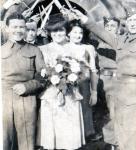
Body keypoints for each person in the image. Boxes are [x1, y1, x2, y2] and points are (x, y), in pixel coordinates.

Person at [66, 7, 136, 150]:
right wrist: (84, 19)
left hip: (134, 91)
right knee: (119, 130)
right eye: (130, 20)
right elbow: (102, 32)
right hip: (118, 90)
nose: (132, 23)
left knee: (131, 133)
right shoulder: (122, 40)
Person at [37, 14, 85, 150]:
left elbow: (83, 73)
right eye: (54, 31)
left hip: (70, 95)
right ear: (50, 32)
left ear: (66, 31)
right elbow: (41, 73)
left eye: (61, 30)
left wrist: (72, 76)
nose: (58, 34)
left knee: (69, 136)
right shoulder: (42, 49)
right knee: (53, 136)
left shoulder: (76, 48)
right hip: (51, 95)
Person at [2, 13, 46, 150]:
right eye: (14, 26)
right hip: (2, 99)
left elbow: (43, 76)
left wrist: (27, 86)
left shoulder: (34, 50)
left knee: (26, 141)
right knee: (4, 139)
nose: (18, 30)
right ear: (7, 28)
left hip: (27, 98)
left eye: (22, 27)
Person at [64, 19, 98, 139]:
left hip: (84, 87)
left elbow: (93, 71)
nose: (78, 35)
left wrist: (94, 92)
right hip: (68, 87)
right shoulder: (63, 47)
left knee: (85, 113)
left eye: (80, 33)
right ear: (68, 33)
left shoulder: (88, 48)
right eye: (74, 32)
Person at [97, 17, 120, 148]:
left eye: (113, 26)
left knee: (113, 111)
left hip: (115, 80)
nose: (110, 28)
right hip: (101, 80)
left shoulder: (120, 42)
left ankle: (113, 142)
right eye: (108, 26)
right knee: (104, 111)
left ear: (118, 28)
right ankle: (109, 141)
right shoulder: (97, 43)